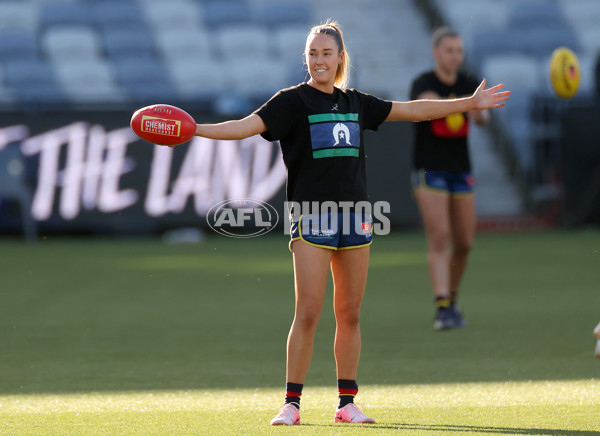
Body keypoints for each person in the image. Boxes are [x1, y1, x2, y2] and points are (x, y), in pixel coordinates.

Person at [187, 20, 509, 426]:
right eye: (312, 53)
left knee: (350, 313)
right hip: (310, 217)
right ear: (305, 58)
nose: (319, 60)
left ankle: (347, 403)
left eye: (326, 53)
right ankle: (291, 404)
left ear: (341, 57)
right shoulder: (291, 101)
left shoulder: (356, 102)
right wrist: (196, 129)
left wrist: (468, 103)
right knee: (307, 311)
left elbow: (413, 111)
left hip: (357, 217)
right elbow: (245, 127)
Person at [409, 28, 491, 331]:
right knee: (440, 236)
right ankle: (442, 305)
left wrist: (480, 110)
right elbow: (426, 108)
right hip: (430, 169)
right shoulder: (423, 83)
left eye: (459, 50)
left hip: (460, 170)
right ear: (436, 53)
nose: (455, 56)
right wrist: (466, 103)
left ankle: (452, 299)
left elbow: (484, 118)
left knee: (466, 242)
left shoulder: (469, 82)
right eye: (449, 50)